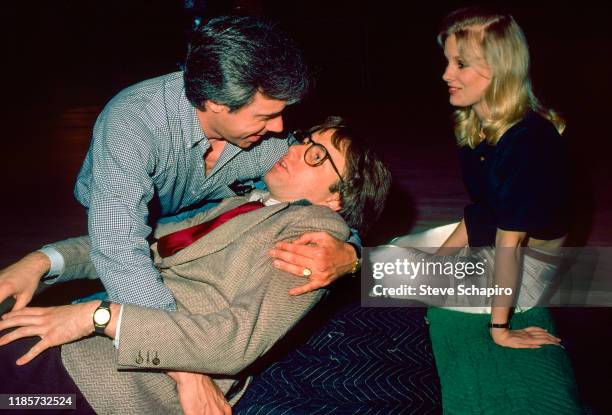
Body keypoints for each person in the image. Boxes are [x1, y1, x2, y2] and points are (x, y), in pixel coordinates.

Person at [0, 117, 392, 415]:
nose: (291, 150)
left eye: (318, 156)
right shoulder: (248, 202)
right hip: (87, 340)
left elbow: (232, 341)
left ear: (338, 198)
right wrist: (42, 261)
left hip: (107, 379)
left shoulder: (314, 234)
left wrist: (98, 317)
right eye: (305, 141)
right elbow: (138, 244)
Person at [51, 15, 359, 316]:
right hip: (125, 210)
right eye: (265, 117)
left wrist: (352, 254)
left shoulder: (274, 143)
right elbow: (117, 246)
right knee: (116, 287)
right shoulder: (132, 124)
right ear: (215, 104)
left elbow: (338, 194)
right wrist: (166, 344)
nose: (280, 129)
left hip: (206, 218)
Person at [374, 7, 581, 414]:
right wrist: (436, 261)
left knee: (389, 273)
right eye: (448, 61)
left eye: (461, 64)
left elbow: (510, 243)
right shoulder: (477, 123)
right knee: (392, 257)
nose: (446, 74)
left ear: (500, 70)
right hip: (497, 238)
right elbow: (483, 212)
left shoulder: (527, 145)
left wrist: (500, 330)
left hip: (528, 265)